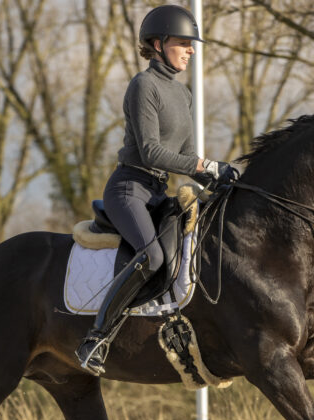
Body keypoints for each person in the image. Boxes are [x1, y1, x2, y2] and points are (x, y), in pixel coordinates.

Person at [75, 4, 234, 376]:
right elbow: (151, 151)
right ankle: (95, 338)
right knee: (153, 258)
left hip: (159, 194)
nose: (191, 50)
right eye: (184, 43)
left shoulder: (184, 94)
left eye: (191, 44)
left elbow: (186, 156)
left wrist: (218, 177)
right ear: (159, 44)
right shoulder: (143, 85)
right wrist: (203, 166)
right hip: (129, 189)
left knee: (188, 253)